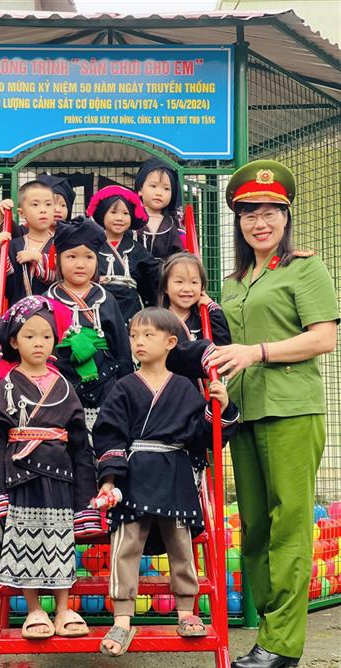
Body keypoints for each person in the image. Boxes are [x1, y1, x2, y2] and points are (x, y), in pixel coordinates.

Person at [200, 160, 338, 668]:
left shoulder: (306, 267)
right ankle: (268, 633)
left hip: (292, 411)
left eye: (270, 212)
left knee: (290, 525)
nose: (259, 222)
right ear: (237, 221)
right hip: (245, 415)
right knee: (256, 527)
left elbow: (324, 336)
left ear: (286, 216)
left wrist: (254, 352)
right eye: (248, 213)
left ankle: (281, 645)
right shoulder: (235, 281)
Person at [92, 308, 239, 657]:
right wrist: (109, 480)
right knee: (125, 545)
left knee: (181, 545)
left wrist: (222, 406)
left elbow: (205, 437)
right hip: (135, 474)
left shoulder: (187, 389)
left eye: (149, 335)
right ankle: (123, 617)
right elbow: (108, 433)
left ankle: (187, 610)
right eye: (134, 336)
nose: (139, 342)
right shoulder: (123, 387)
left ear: (172, 342)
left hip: (175, 473)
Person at [0, 296, 98, 640]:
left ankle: (65, 608)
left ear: (55, 341)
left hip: (61, 479)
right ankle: (35, 610)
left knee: (59, 541)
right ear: (13, 341)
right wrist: (0, 491)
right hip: (21, 478)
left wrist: (86, 497)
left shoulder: (65, 385)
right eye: (29, 336)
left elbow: (81, 444)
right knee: (24, 542)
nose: (39, 343)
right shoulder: (6, 385)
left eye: (46, 337)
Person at [43, 219, 132, 429]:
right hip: (62, 382)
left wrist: (126, 388)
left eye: (89, 257)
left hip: (105, 383)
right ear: (58, 259)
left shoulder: (106, 299)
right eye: (71, 257)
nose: (80, 264)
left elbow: (121, 348)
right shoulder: (48, 300)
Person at [87, 185, 159, 327]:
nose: (119, 218)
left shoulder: (138, 250)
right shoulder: (91, 247)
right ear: (102, 214)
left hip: (131, 310)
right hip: (97, 306)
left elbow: (152, 278)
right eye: (113, 212)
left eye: (125, 214)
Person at [158, 252, 231, 345]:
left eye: (194, 282)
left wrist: (213, 310)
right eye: (179, 282)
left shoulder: (205, 317)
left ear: (202, 287)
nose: (187, 289)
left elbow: (223, 344)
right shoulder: (157, 320)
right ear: (165, 287)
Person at [134, 158, 185, 260]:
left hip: (165, 273)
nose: (159, 193)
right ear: (140, 189)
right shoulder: (131, 221)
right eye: (153, 186)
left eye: (166, 188)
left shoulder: (172, 225)